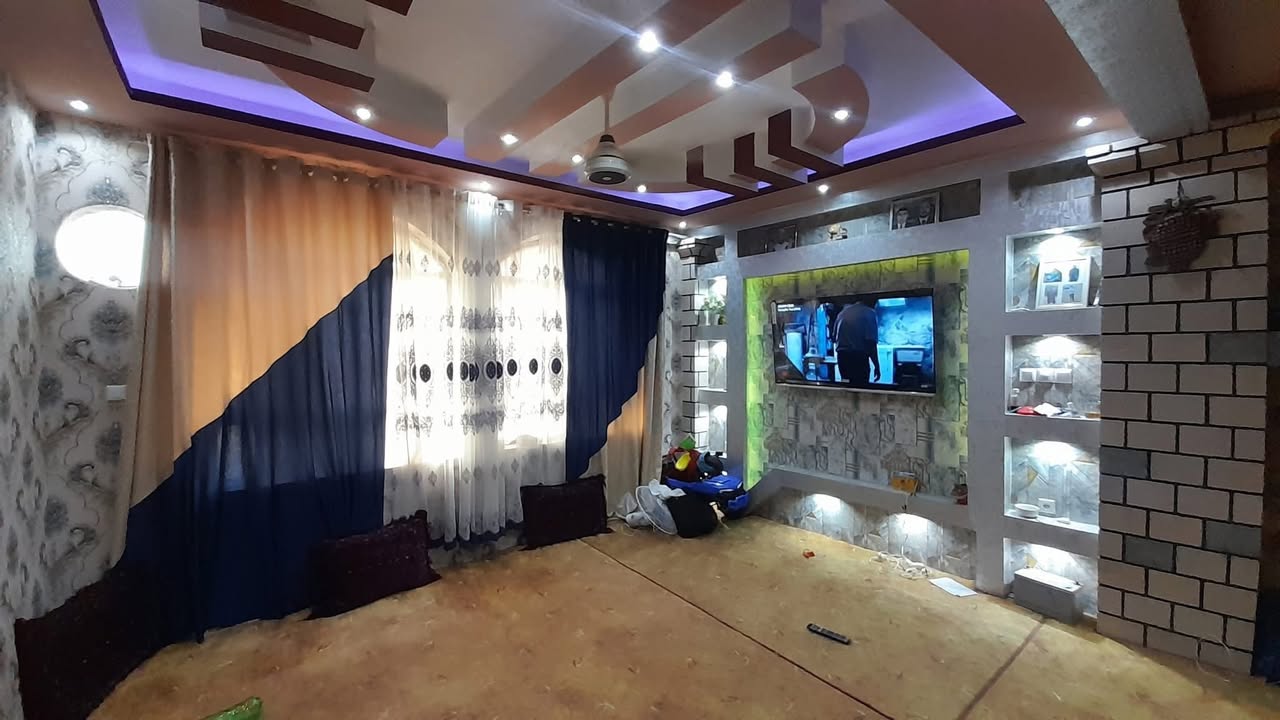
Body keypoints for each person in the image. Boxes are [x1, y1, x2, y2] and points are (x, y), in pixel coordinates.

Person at [834, 299, 880, 386]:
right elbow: (871, 343)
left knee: (846, 386)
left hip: (842, 358)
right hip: (859, 358)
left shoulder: (842, 313)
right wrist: (877, 366)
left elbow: (834, 337)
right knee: (860, 387)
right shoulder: (869, 313)